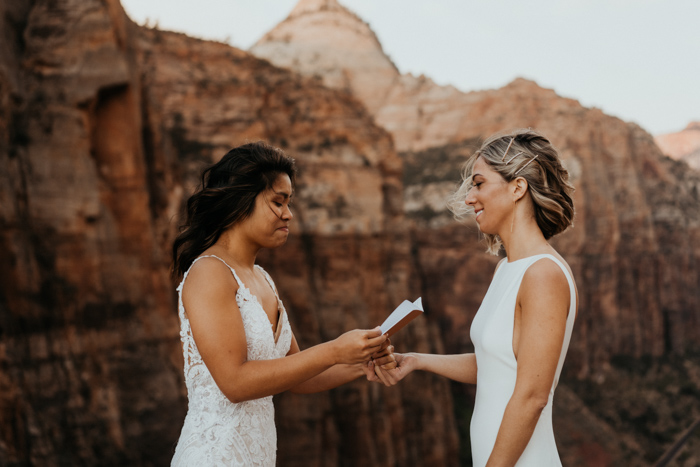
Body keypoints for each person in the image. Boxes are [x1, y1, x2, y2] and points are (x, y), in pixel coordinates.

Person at [170, 142, 395, 466]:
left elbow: (301, 376)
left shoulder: (262, 278)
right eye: (278, 202)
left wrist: (362, 361)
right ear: (240, 200)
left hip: (257, 455)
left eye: (289, 202)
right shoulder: (209, 273)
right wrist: (333, 350)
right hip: (216, 456)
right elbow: (234, 383)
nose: (288, 214)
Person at [371, 129, 578, 467]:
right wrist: (418, 360)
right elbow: (497, 365)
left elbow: (532, 396)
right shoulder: (507, 270)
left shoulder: (543, 274)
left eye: (479, 184)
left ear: (517, 188)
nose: (469, 199)